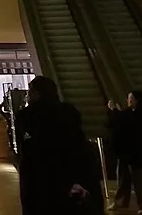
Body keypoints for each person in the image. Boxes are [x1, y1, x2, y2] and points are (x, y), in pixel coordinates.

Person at [16, 76, 102, 215]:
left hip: (40, 179)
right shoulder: (69, 112)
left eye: (30, 91)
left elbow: (27, 147)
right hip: (70, 173)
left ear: (38, 93)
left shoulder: (27, 116)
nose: (28, 94)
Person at [108, 91, 142, 212]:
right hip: (125, 152)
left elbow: (126, 124)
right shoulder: (129, 113)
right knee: (124, 179)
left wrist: (115, 111)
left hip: (135, 153)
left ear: (137, 100)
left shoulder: (139, 115)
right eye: (128, 98)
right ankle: (121, 201)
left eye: (131, 98)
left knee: (138, 181)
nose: (128, 100)